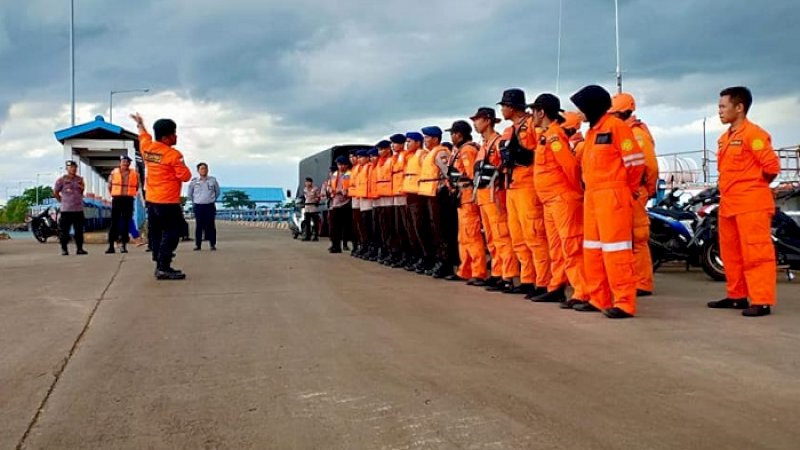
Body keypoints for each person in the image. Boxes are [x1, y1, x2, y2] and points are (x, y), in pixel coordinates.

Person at [570, 85, 645, 318]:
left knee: (616, 251)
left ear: (591, 107)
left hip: (613, 197)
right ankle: (597, 297)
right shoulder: (593, 133)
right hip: (593, 197)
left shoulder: (617, 128)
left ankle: (624, 302)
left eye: (581, 108)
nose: (578, 114)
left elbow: (635, 163)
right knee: (592, 250)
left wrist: (626, 190)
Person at [708, 86, 780, 317]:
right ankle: (737, 296)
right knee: (731, 254)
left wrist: (753, 187)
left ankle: (761, 300)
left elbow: (772, 168)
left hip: (751, 204)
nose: (719, 111)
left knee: (756, 253)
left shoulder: (754, 135)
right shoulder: (724, 139)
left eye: (722, 106)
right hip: (729, 204)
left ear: (739, 108)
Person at [530, 94, 588, 308]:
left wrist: (573, 192)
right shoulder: (547, 135)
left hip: (561, 200)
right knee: (556, 248)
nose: (532, 116)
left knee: (571, 246)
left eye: (533, 111)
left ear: (541, 112)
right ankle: (556, 287)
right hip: (551, 200)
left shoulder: (554, 136)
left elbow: (570, 166)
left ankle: (582, 291)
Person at [498, 88, 550, 297]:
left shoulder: (531, 126)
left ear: (512, 107)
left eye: (504, 106)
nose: (502, 110)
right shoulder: (513, 129)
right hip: (512, 184)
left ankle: (543, 281)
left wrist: (522, 154)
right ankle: (528, 278)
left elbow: (538, 152)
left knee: (534, 236)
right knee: (518, 238)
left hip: (527, 185)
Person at [130, 113, 192, 280]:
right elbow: (186, 176)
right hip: (168, 201)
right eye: (174, 133)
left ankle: (158, 259)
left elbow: (143, 136)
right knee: (173, 232)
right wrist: (182, 163)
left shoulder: (147, 148)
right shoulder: (173, 155)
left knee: (156, 232)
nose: (176, 136)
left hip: (152, 200)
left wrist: (140, 124)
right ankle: (164, 266)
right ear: (166, 137)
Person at [610, 92, 659, 296]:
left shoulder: (636, 134)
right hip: (626, 190)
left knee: (637, 237)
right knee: (627, 238)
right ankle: (633, 279)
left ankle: (642, 283)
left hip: (636, 191)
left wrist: (647, 189)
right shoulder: (624, 131)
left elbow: (649, 165)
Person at [470, 107, 518, 291]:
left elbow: (504, 167)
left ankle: (508, 275)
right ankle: (497, 273)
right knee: (491, 238)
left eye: (478, 119)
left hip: (494, 196)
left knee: (502, 236)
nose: (475, 123)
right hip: (483, 196)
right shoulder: (483, 145)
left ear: (487, 120)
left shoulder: (498, 142)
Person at [446, 120, 487, 284]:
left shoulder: (467, 150)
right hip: (461, 197)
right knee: (463, 237)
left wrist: (459, 182)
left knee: (472, 235)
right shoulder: (461, 150)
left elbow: (471, 175)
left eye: (452, 134)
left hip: (468, 196)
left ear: (459, 134)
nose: (451, 137)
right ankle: (466, 269)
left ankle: (479, 271)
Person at [417, 126, 454, 278]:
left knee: (441, 230)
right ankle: (438, 259)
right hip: (429, 194)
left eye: (427, 137)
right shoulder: (430, 154)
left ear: (435, 139)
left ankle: (445, 263)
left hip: (438, 194)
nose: (425, 140)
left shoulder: (440, 152)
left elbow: (448, 172)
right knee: (433, 229)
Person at [402, 132, 432, 272]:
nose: (407, 144)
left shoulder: (423, 155)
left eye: (410, 141)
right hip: (410, 194)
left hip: (419, 195)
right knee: (411, 229)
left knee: (420, 227)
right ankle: (418, 256)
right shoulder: (412, 156)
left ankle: (426, 257)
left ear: (418, 143)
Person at [105, 155, 139, 254]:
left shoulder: (134, 174)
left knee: (126, 222)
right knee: (114, 223)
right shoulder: (114, 173)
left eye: (127, 162)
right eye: (123, 161)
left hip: (128, 199)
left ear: (129, 163)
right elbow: (109, 186)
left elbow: (137, 186)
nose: (125, 163)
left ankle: (124, 245)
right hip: (117, 199)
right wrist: (115, 194)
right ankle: (111, 246)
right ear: (120, 162)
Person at [53, 160, 88, 256]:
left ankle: (80, 249)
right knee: (64, 231)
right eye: (71, 167)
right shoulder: (61, 180)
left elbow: (82, 191)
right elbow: (55, 192)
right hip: (66, 210)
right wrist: (61, 201)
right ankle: (64, 249)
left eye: (74, 167)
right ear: (67, 169)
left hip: (78, 209)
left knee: (79, 231)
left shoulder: (80, 180)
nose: (73, 169)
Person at [390, 133, 413, 268]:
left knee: (405, 228)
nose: (393, 146)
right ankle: (400, 254)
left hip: (404, 193)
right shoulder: (395, 157)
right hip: (395, 194)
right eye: (392, 143)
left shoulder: (407, 156)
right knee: (397, 228)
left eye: (395, 143)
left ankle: (408, 255)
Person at [188, 162, 221, 251]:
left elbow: (217, 192)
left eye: (205, 168)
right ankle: (198, 245)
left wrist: (211, 199)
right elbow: (190, 194)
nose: (204, 170)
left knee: (211, 225)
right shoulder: (194, 182)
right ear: (198, 170)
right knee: (199, 226)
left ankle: (212, 244)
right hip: (199, 206)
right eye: (202, 168)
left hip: (209, 205)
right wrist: (195, 201)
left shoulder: (212, 180)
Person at [328, 156, 353, 253]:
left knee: (345, 226)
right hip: (335, 202)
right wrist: (330, 190)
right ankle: (335, 245)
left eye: (342, 164)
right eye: (339, 164)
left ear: (346, 165)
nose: (340, 166)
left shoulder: (349, 174)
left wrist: (340, 191)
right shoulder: (334, 174)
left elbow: (350, 187)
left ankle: (345, 244)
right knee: (334, 226)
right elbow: (329, 185)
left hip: (346, 202)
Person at [301, 177, 322, 241]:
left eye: (308, 182)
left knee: (315, 223)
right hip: (307, 208)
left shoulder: (315, 189)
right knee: (307, 223)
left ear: (311, 182)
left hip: (313, 208)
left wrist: (316, 201)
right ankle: (308, 236)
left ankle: (315, 236)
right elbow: (305, 198)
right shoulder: (305, 190)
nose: (307, 183)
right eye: (306, 182)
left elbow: (318, 197)